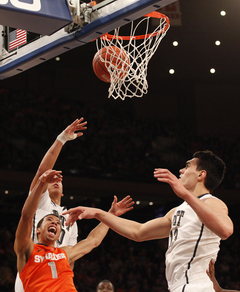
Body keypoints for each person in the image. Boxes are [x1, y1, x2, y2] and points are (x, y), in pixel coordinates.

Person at [63, 150, 234, 292]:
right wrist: (100, 214)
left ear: (201, 174)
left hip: (197, 286)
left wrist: (185, 194)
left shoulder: (212, 202)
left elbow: (225, 230)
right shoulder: (178, 211)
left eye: (188, 165)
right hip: (179, 286)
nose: (181, 170)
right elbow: (138, 232)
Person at [14, 169, 134, 292]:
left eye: (57, 223)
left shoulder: (65, 253)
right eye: (49, 219)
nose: (54, 222)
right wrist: (41, 183)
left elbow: (93, 240)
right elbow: (26, 217)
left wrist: (111, 214)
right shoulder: (27, 249)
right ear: (38, 230)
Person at [15, 118, 88, 292]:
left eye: (59, 180)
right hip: (33, 267)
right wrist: (61, 139)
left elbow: (71, 257)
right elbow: (42, 172)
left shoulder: (71, 218)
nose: (55, 181)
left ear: (63, 192)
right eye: (50, 181)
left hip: (56, 277)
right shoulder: (42, 201)